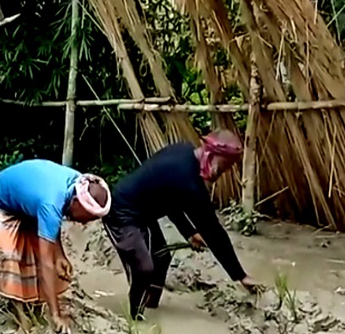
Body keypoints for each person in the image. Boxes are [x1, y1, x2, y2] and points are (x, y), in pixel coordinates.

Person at [104, 130, 261, 320]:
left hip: (143, 213)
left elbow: (171, 201)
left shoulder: (183, 152)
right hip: (121, 212)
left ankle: (151, 304)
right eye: (225, 165)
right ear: (211, 155)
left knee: (161, 258)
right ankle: (136, 320)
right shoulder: (189, 181)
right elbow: (213, 232)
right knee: (144, 268)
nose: (224, 172)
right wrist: (240, 275)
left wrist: (189, 232)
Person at [0, 159, 111, 334]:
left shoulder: (78, 184)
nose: (86, 223)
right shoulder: (51, 203)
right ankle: (19, 312)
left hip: (28, 201)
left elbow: (52, 221)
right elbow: (46, 262)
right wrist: (56, 314)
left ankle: (33, 302)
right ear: (76, 202)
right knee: (11, 257)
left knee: (33, 251)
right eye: (87, 217)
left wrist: (60, 255)